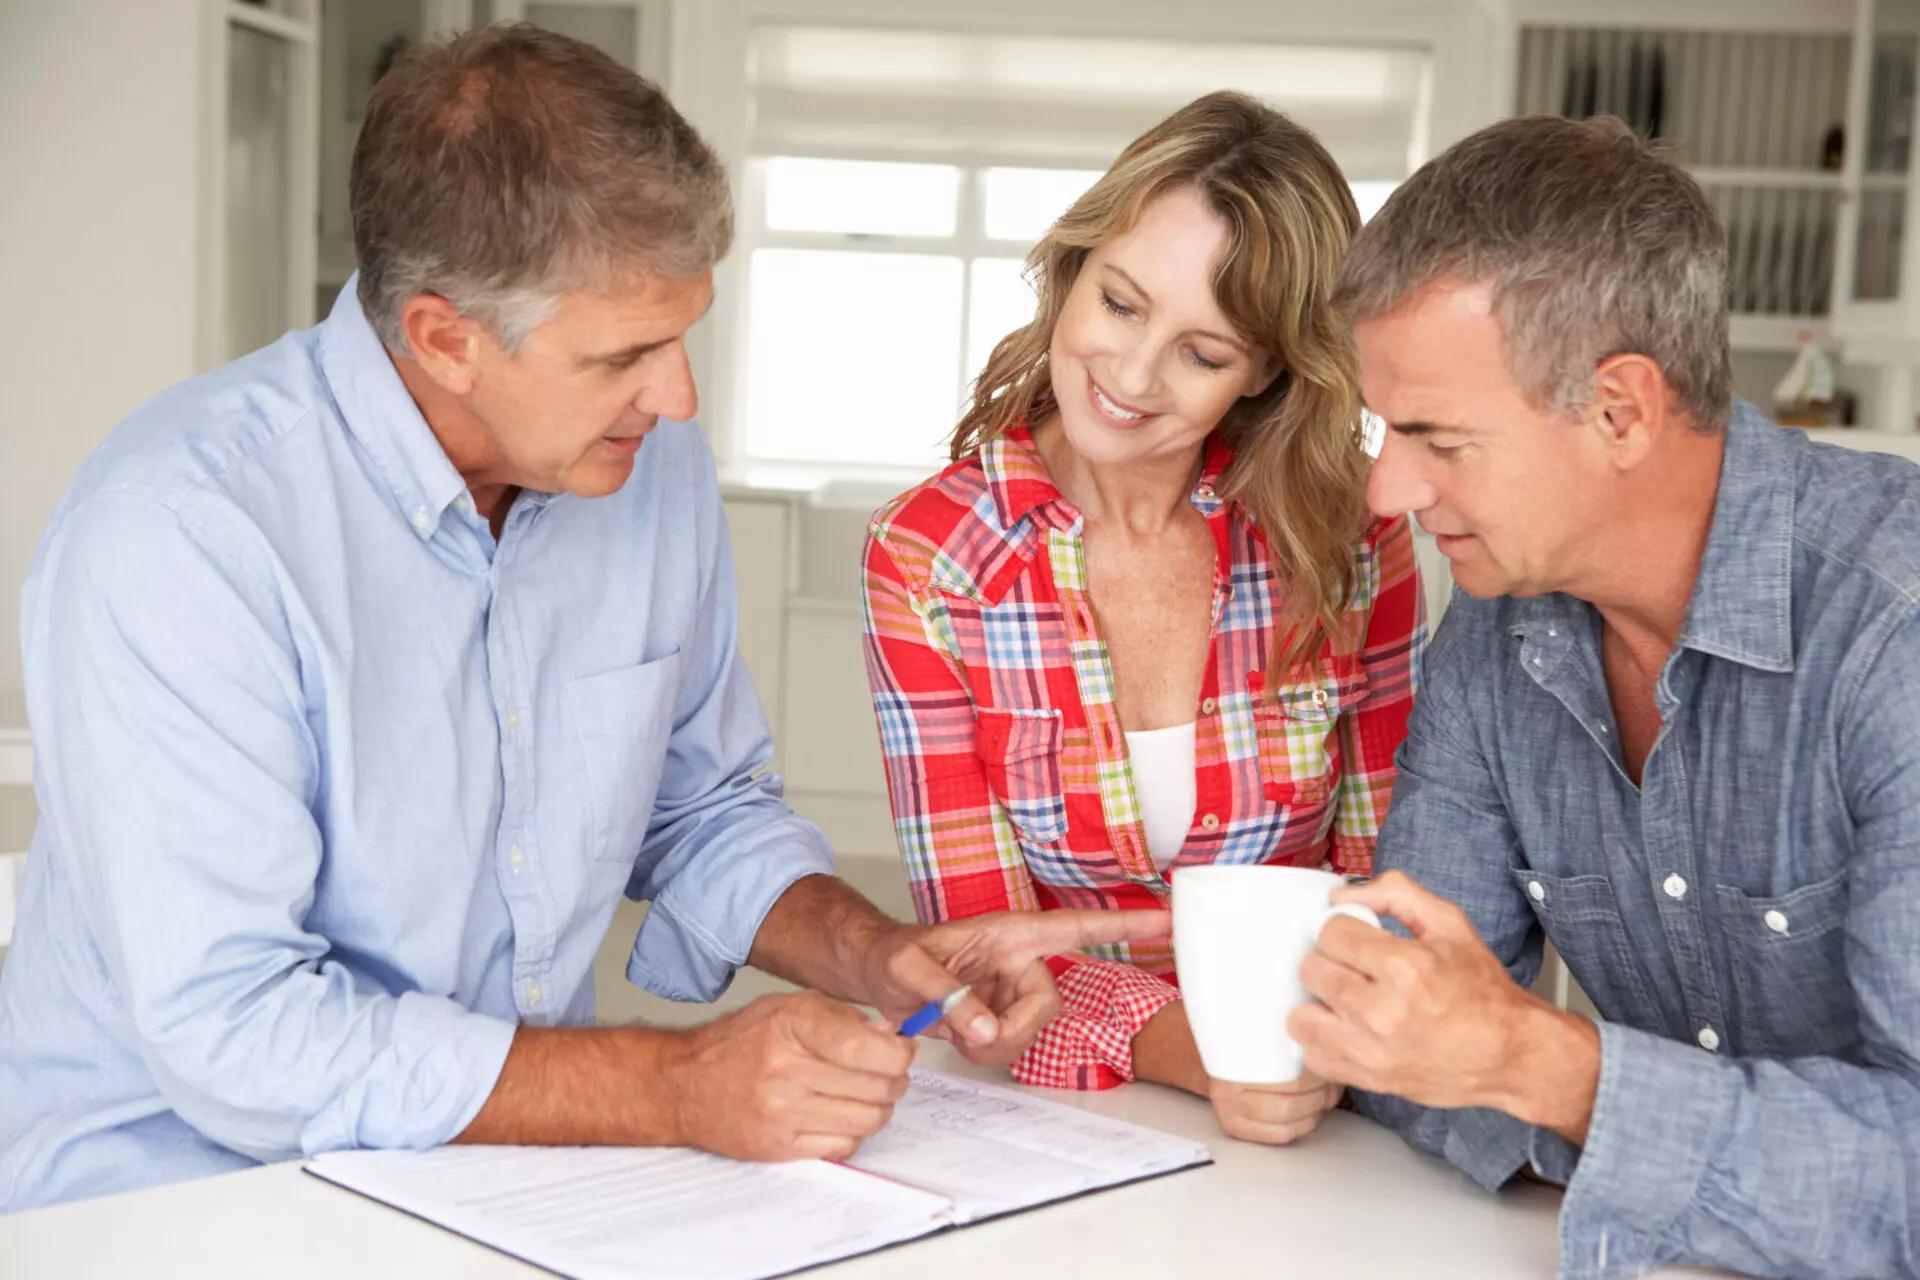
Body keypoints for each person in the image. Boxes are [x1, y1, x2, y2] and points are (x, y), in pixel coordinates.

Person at [0, 24, 1164, 1213]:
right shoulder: (183, 535)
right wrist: (675, 1082)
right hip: (170, 1200)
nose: (679, 395)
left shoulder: (644, 467)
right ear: (446, 339)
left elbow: (702, 808)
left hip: (487, 1178)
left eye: (682, 333)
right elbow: (237, 1032)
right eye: (628, 353)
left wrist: (875, 951)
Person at [1279, 115, 1920, 1279]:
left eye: (1436, 437)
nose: (1386, 488)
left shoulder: (1896, 635)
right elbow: (1404, 1050)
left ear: (1620, 410)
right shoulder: (1492, 631)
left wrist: (1549, 1072)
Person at [860, 91, 1422, 1145]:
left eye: (1204, 354)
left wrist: (1300, 1045)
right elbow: (984, 952)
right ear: (1072, 269)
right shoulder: (929, 558)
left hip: (1323, 1092)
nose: (1131, 375)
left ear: (1266, 375)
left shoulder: (1351, 540)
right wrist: (1198, 1053)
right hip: (1057, 1118)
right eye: (1120, 304)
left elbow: (1387, 884)